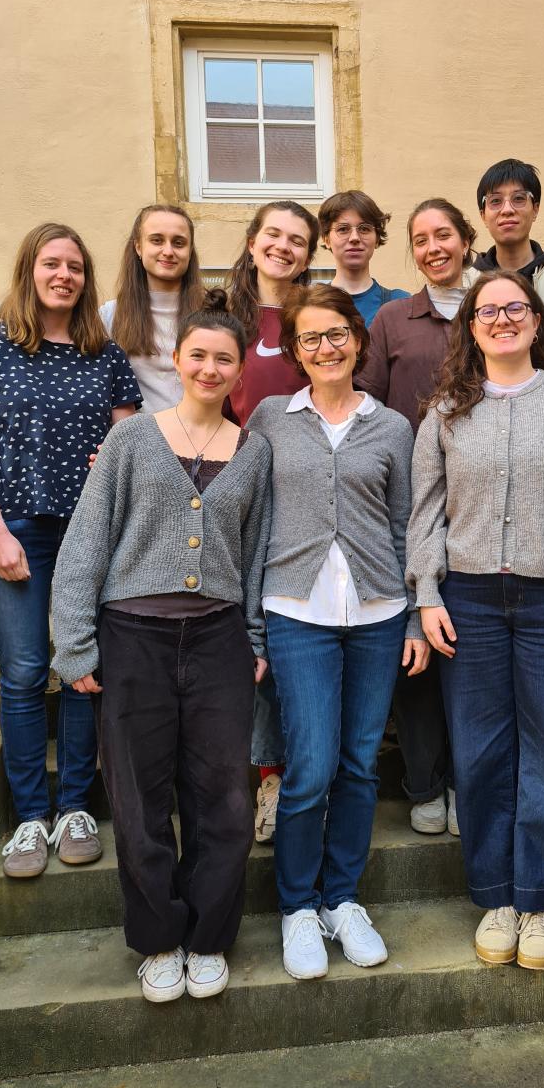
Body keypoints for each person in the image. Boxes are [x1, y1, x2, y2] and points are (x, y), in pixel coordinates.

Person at [51, 288, 272, 1003]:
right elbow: (86, 542)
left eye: (224, 359)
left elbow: (259, 554)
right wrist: (75, 645)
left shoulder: (255, 451)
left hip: (217, 640)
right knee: (140, 800)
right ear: (178, 360)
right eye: (198, 354)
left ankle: (208, 935)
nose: (209, 368)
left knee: (225, 801)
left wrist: (256, 636)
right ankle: (158, 939)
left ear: (240, 372)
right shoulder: (131, 439)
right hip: (133, 637)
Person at [407, 269, 544, 971]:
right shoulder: (444, 410)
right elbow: (426, 512)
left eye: (514, 308)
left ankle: (541, 895)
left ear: (535, 321)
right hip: (466, 600)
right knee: (479, 752)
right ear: (469, 326)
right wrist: (427, 594)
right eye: (487, 310)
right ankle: (498, 893)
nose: (501, 319)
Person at [247, 284, 428, 980]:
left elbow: (404, 524)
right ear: (295, 350)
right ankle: (295, 906)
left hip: (378, 615)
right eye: (311, 338)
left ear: (358, 339)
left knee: (357, 765)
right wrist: (251, 626)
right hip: (295, 614)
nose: (326, 347)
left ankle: (340, 899)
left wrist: (414, 611)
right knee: (312, 765)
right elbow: (252, 517)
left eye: (337, 334)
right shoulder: (270, 418)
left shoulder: (390, 426)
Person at [0, 222, 141, 879]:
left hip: (87, 534)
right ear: (30, 269)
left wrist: (111, 461)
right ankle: (30, 819)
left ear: (86, 277)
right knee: (23, 670)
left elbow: (129, 446)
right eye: (51, 263)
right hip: (15, 528)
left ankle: (74, 808)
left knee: (80, 665)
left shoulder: (105, 353)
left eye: (74, 265)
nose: (63, 274)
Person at [356, 198, 478, 835]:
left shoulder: (497, 305)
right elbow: (368, 406)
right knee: (417, 644)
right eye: (420, 238)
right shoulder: (393, 318)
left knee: (470, 650)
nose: (433, 247)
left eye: (444, 236)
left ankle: (468, 781)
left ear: (465, 241)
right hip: (411, 505)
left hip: (484, 503)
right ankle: (426, 781)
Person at [225, 199, 319, 845]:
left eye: (297, 239)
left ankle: (285, 775)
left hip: (306, 498)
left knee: (283, 639)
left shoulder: (313, 319)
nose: (283, 246)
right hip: (235, 493)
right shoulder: (223, 312)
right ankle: (258, 774)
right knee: (245, 638)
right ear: (254, 241)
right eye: (274, 235)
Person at [100, 204, 203, 413]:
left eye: (178, 242)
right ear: (138, 247)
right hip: (137, 440)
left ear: (190, 251)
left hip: (201, 439)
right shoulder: (110, 316)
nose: (168, 251)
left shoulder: (212, 313)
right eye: (157, 240)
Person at [473, 158, 544, 306]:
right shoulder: (469, 284)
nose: (507, 210)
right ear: (483, 215)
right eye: (495, 201)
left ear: (535, 209)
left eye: (518, 198)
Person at [318, 190, 409, 326]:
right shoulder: (311, 305)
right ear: (326, 239)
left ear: (377, 239)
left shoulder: (401, 304)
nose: (354, 238)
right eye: (343, 229)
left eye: (364, 229)